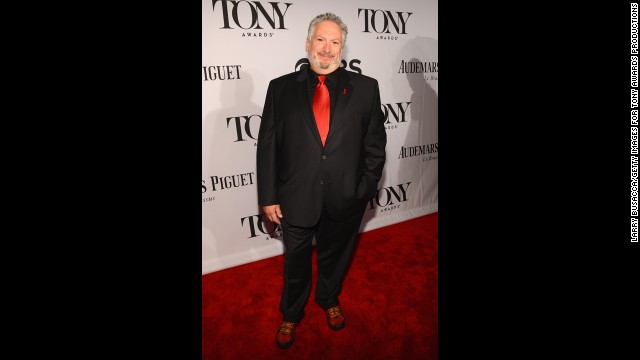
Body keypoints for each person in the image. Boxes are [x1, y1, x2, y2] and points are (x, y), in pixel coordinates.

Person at [257, 12, 386, 349]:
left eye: (335, 42)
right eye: (321, 40)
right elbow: (268, 146)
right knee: (295, 261)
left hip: (345, 197)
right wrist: (268, 196)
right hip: (295, 196)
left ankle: (328, 298)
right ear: (307, 43)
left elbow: (375, 146)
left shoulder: (367, 88)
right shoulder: (280, 88)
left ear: (342, 48)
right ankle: (291, 312)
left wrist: (364, 189)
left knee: (334, 258)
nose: (327, 48)